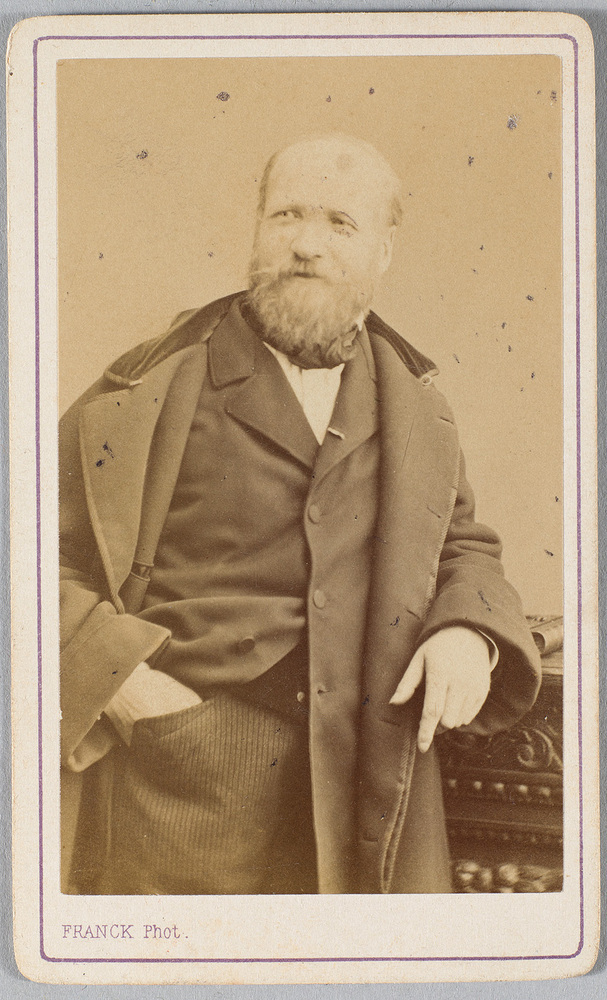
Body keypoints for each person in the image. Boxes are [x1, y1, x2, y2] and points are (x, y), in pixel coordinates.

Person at [59, 133, 541, 896]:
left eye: (339, 224)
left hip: (363, 771)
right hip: (180, 779)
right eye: (287, 215)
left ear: (383, 251)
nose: (307, 245)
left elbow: (460, 544)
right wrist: (126, 686)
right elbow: (25, 551)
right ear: (256, 228)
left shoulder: (415, 405)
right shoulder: (148, 386)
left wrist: (467, 632)